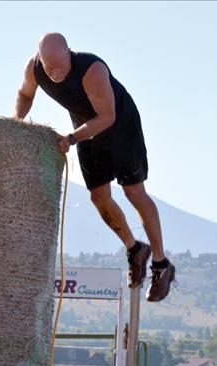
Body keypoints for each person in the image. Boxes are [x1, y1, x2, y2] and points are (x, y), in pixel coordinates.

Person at [13, 32, 175, 302]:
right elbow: (24, 93)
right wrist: (16, 121)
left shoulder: (92, 70)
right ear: (40, 59)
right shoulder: (34, 69)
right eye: (49, 67)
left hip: (119, 125)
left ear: (69, 53)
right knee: (99, 198)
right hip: (87, 128)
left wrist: (73, 138)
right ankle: (135, 249)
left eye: (61, 66)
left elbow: (108, 116)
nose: (55, 73)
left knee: (134, 192)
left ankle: (161, 264)